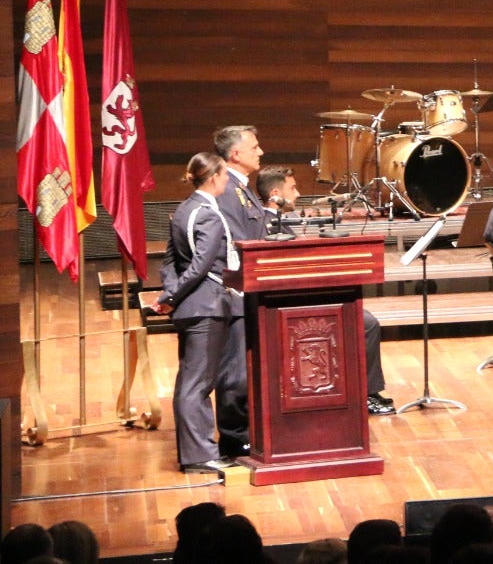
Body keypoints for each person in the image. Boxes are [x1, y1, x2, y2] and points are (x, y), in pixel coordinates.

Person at [254, 167, 394, 414]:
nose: (297, 195)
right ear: (276, 194)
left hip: (299, 297)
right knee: (367, 323)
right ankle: (367, 395)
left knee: (365, 319)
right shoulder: (267, 225)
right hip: (290, 305)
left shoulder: (274, 222)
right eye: (292, 189)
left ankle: (356, 391)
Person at [153, 153, 247, 473]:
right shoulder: (208, 214)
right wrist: (173, 296)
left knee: (191, 382)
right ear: (214, 177)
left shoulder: (182, 210)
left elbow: (170, 263)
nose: (226, 180)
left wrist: (169, 296)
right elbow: (200, 267)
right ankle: (199, 456)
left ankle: (198, 452)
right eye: (224, 175)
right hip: (207, 306)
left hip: (191, 306)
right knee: (197, 384)